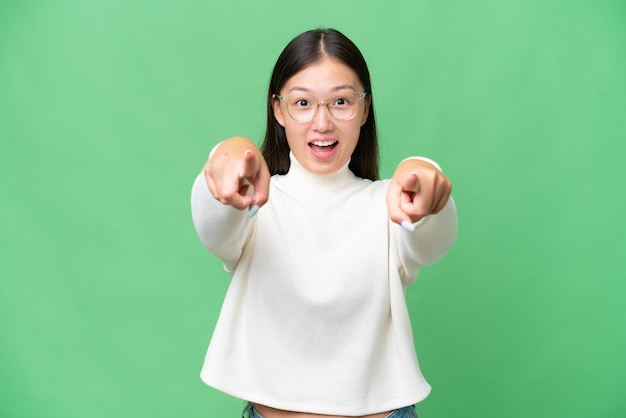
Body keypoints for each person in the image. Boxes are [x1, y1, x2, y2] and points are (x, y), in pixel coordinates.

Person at [191, 28, 458, 418]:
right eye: (302, 102)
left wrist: (426, 180)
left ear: (364, 109)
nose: (322, 122)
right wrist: (228, 154)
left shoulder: (388, 204)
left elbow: (433, 242)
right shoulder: (255, 202)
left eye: (341, 102)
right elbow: (214, 214)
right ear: (278, 109)